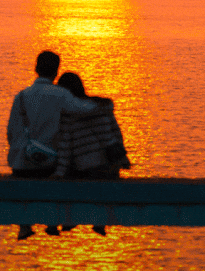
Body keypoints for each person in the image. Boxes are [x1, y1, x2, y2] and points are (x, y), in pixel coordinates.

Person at [7, 50, 97, 240]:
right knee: (67, 167)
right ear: (56, 71)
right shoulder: (61, 95)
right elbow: (85, 110)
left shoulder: (20, 97)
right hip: (50, 166)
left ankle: (24, 225)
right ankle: (55, 221)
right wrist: (104, 103)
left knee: (25, 178)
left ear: (36, 68)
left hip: (22, 167)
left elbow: (11, 133)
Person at [53, 71, 131, 236]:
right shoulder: (102, 106)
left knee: (71, 172)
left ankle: (71, 219)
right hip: (110, 168)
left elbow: (65, 147)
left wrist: (59, 173)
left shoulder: (68, 114)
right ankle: (99, 222)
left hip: (85, 170)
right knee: (102, 178)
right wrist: (122, 158)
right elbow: (117, 134)